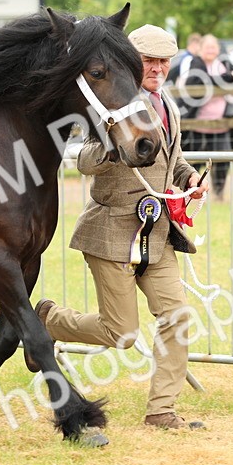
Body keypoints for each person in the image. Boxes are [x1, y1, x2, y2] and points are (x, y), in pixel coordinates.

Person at [37, 24, 211, 430]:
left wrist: (189, 182)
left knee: (177, 317)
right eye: (149, 60)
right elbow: (82, 161)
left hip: (158, 233)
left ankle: (161, 411)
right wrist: (117, 146)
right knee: (122, 334)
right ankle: (48, 319)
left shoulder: (168, 104)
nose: (157, 68)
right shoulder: (108, 106)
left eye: (163, 61)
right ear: (132, 63)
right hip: (111, 232)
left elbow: (174, 161)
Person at [182, 35, 233, 200]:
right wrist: (225, 79)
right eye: (207, 46)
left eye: (213, 46)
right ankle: (191, 193)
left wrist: (224, 79)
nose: (210, 50)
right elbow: (196, 82)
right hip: (199, 124)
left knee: (223, 161)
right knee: (195, 163)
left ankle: (219, 194)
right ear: (200, 49)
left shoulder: (224, 63)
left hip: (221, 124)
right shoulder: (196, 63)